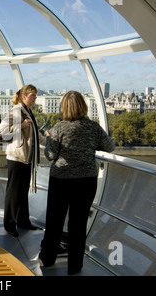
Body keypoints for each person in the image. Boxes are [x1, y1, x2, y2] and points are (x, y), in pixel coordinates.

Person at [39, 90, 115, 275]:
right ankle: (75, 266)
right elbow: (110, 146)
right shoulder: (93, 127)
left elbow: (49, 156)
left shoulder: (59, 128)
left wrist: (49, 139)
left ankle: (48, 259)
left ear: (63, 107)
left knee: (55, 221)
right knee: (78, 224)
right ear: (83, 106)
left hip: (61, 180)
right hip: (86, 181)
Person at [0, 84, 43, 237]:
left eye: (36, 95)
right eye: (33, 95)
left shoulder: (28, 111)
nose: (35, 97)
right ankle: (9, 224)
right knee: (14, 192)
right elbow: (2, 131)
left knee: (22, 192)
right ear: (24, 97)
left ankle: (23, 221)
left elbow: (36, 134)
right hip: (17, 157)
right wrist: (21, 125)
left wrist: (49, 141)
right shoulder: (17, 110)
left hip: (26, 158)